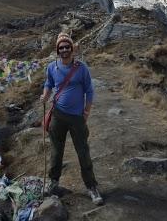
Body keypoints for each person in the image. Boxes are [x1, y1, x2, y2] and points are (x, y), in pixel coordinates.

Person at [40, 32, 103, 205]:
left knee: (83, 152)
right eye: (61, 47)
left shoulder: (81, 68)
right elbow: (48, 84)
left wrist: (86, 112)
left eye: (67, 46)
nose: (65, 49)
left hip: (77, 117)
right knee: (56, 151)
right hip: (58, 115)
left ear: (72, 49)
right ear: (57, 50)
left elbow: (89, 90)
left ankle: (92, 187)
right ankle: (53, 183)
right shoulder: (52, 67)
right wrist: (45, 95)